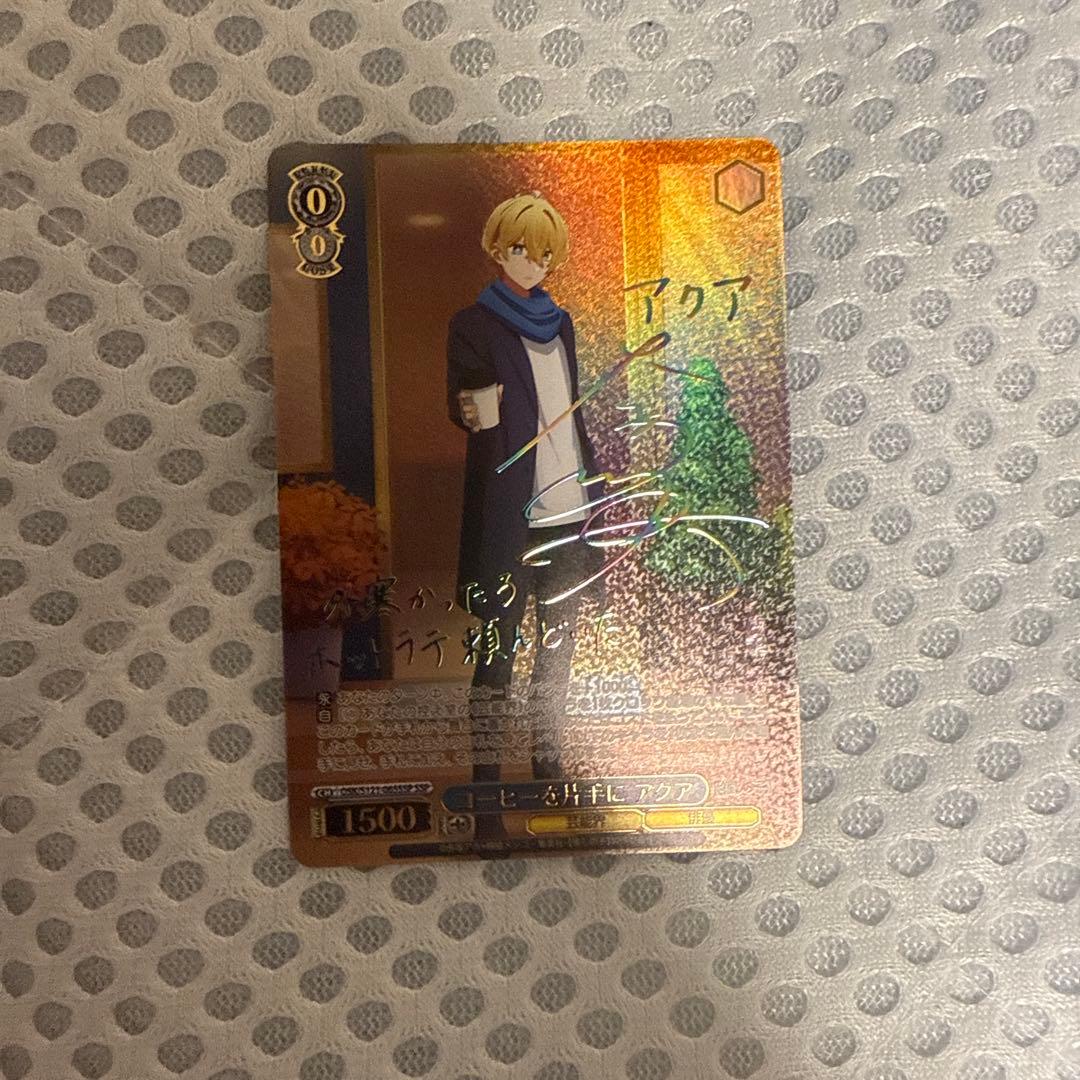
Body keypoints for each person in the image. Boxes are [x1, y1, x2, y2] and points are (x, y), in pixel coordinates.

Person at [446, 192, 603, 804]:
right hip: (511, 511)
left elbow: (571, 409)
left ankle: (548, 761)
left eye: (542, 254)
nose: (530, 263)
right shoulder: (473, 323)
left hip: (570, 508)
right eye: (519, 249)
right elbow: (467, 411)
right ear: (497, 248)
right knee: (497, 649)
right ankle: (486, 777)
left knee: (558, 647)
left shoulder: (560, 323)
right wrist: (478, 406)